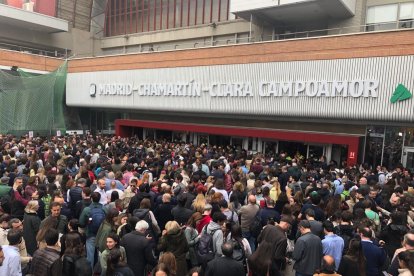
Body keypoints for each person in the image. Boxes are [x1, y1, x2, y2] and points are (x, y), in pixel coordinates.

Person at [79, 191, 106, 268]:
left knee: (90, 255)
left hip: (91, 234)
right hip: (101, 234)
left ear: (91, 198)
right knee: (100, 254)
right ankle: (99, 270)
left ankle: (90, 272)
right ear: (100, 199)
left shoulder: (87, 209)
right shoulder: (104, 208)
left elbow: (81, 222)